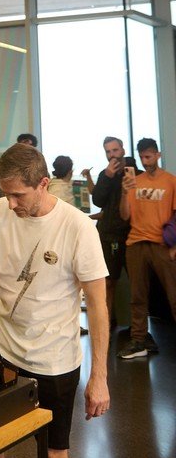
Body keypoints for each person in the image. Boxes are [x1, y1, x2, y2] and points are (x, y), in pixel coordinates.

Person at [0, 143, 110, 458]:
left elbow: (98, 307)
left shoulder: (78, 227)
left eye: (18, 194)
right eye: (5, 193)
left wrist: (98, 378)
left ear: (43, 184)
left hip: (54, 360)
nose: (11, 203)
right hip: (3, 350)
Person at [118, 137, 176, 359]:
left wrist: (174, 247)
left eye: (149, 156)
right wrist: (124, 192)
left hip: (161, 244)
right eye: (142, 157)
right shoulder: (134, 182)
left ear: (158, 155)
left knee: (174, 295)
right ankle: (139, 340)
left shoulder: (171, 181)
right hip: (136, 243)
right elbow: (125, 215)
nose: (145, 160)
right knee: (138, 296)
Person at [91, 136, 137, 329]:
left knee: (137, 284)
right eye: (108, 152)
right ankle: (106, 325)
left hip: (135, 233)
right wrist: (108, 177)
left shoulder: (136, 173)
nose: (112, 155)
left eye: (115, 150)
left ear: (123, 149)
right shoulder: (104, 174)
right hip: (110, 235)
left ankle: (138, 330)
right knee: (109, 282)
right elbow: (98, 200)